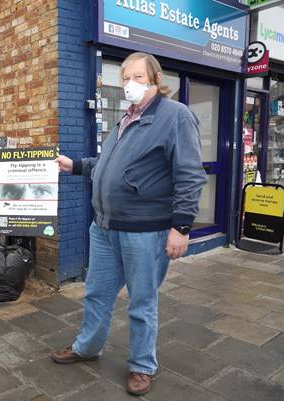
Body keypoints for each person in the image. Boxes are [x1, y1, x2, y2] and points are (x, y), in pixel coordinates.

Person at [51, 52, 207, 396]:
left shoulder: (175, 116)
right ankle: (87, 347)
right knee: (96, 294)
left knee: (142, 301)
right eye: (125, 78)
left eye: (138, 77)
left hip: (146, 232)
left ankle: (142, 366)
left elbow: (190, 175)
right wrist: (74, 165)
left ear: (155, 78)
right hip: (105, 228)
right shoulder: (126, 118)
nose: (130, 84)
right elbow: (107, 164)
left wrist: (181, 227)